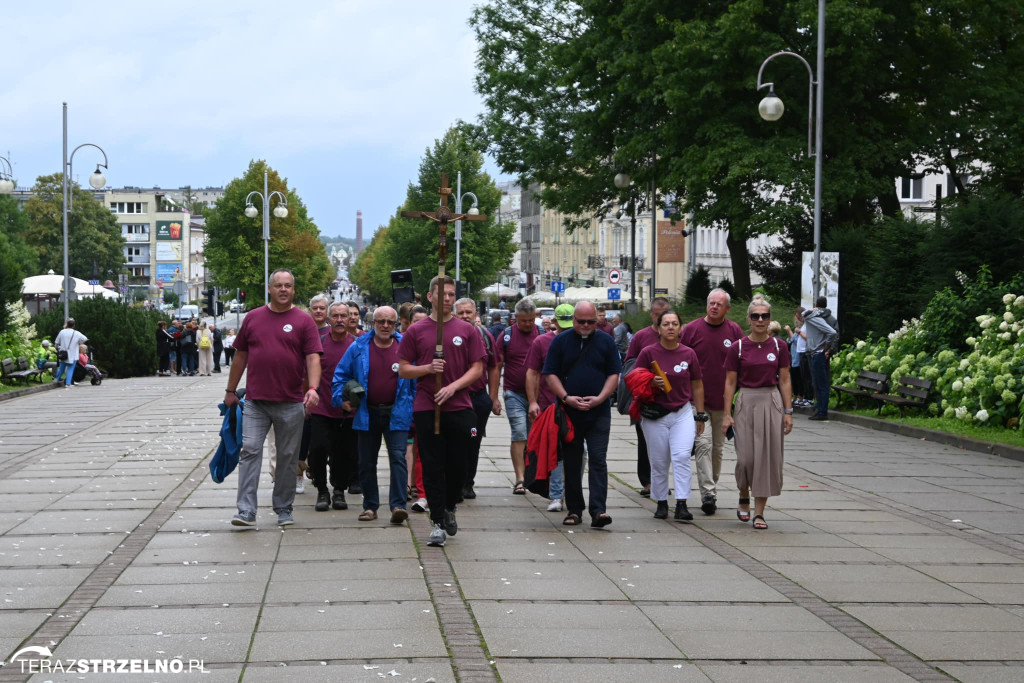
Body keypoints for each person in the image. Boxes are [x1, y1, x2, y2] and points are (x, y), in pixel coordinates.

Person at [224, 268, 323, 528]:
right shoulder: (254, 318)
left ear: (293, 290)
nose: (282, 289)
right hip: (256, 402)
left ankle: (283, 507)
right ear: (269, 288)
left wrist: (313, 388)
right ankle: (246, 511)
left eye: (287, 285)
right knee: (250, 451)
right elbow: (241, 356)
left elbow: (313, 357)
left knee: (288, 458)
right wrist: (230, 390)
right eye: (278, 285)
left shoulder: (304, 321)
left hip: (291, 402)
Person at [398, 275, 486, 548]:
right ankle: (437, 522)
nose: (447, 299)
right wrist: (427, 369)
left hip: (460, 406)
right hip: (427, 407)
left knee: (458, 465)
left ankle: (449, 506)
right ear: (430, 297)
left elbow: (477, 367)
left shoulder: (467, 330)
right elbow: (403, 368)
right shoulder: (417, 331)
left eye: (451, 294)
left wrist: (454, 387)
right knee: (433, 466)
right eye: (442, 294)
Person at [542, 301, 622, 528]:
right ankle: (575, 509)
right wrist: (566, 398)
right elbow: (550, 374)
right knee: (572, 460)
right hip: (569, 412)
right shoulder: (560, 341)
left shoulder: (605, 341)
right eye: (581, 321)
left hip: (599, 412)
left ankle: (599, 511)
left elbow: (614, 374)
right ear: (573, 320)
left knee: (598, 459)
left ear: (597, 319)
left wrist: (601, 398)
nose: (586, 325)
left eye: (590, 321)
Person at [336, 305, 414, 524]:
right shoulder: (358, 346)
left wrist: (414, 406)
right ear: (373, 323)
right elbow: (340, 376)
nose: (386, 326)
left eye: (391, 322)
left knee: (398, 458)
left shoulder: (405, 346)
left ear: (396, 324)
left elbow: (416, 381)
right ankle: (370, 506)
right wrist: (342, 400)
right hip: (366, 412)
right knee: (367, 462)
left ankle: (398, 505)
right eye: (381, 321)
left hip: (397, 412)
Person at [721, 294, 794, 529]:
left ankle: (759, 512)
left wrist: (788, 410)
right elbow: (730, 383)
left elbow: (784, 379)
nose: (760, 320)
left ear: (770, 319)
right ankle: (744, 493)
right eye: (756, 316)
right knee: (745, 459)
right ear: (749, 319)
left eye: (765, 316)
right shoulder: (738, 347)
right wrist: (727, 414)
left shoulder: (779, 346)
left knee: (767, 458)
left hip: (771, 400)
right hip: (746, 401)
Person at [632, 310, 706, 521]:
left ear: (681, 328)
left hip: (681, 412)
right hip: (655, 415)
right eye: (666, 324)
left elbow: (698, 385)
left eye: (675, 323)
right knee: (658, 461)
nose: (671, 327)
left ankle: (682, 504)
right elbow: (635, 380)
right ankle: (661, 502)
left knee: (682, 456)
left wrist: (700, 415)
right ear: (659, 328)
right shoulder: (648, 353)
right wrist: (650, 382)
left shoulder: (688, 354)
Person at [680, 288, 745, 515]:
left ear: (727, 308)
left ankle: (711, 486)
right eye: (711, 303)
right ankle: (708, 493)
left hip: (724, 404)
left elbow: (741, 364)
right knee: (703, 445)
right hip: (697, 403)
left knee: (717, 450)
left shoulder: (734, 331)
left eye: (719, 304)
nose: (714, 306)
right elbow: (680, 357)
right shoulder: (692, 330)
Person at [307, 302, 357, 512]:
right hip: (321, 407)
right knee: (317, 449)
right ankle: (321, 489)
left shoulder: (357, 345)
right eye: (335, 316)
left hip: (347, 412)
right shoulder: (318, 345)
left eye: (343, 316)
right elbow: (307, 373)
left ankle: (338, 490)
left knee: (343, 453)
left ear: (349, 319)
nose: (339, 320)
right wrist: (307, 399)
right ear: (328, 319)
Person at [525, 303, 571, 511]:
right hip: (550, 405)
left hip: (578, 404)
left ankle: (571, 492)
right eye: (563, 325)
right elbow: (532, 372)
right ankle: (556, 495)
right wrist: (533, 401)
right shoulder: (542, 342)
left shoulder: (583, 342)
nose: (567, 329)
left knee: (581, 451)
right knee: (556, 450)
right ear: (554, 323)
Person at [492, 297, 540, 494]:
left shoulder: (542, 334)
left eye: (530, 320)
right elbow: (496, 367)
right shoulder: (506, 336)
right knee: (519, 432)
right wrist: (494, 397)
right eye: (523, 320)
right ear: (515, 318)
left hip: (538, 395)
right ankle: (520, 479)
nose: (528, 324)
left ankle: (533, 475)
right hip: (513, 393)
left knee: (533, 436)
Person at [624, 297, 672, 496]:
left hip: (670, 398)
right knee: (645, 442)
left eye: (666, 313)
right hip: (645, 398)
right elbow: (629, 365)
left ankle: (661, 479)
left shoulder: (676, 335)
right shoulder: (641, 337)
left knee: (667, 443)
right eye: (659, 314)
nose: (663, 318)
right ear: (652, 314)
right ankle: (647, 481)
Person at [454, 297, 498, 500]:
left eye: (468, 312)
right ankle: (454, 482)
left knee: (473, 441)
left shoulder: (485, 336)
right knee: (455, 443)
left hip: (477, 401)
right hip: (456, 399)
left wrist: (493, 397)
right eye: (461, 312)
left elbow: (494, 367)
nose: (464, 316)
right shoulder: (450, 335)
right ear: (455, 314)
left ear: (475, 315)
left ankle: (467, 483)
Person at [406, 305, 430, 511]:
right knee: (408, 446)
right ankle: (410, 485)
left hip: (428, 403)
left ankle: (420, 489)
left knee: (422, 450)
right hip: (407, 405)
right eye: (416, 322)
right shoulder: (406, 343)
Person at [803, 296, 839, 421]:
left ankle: (822, 411)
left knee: (821, 384)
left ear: (816, 305)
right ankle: (820, 409)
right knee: (819, 383)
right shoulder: (819, 317)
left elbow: (833, 333)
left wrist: (826, 346)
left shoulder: (814, 318)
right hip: (818, 353)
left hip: (818, 353)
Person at [784, 308, 809, 406]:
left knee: (800, 379)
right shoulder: (798, 329)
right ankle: (795, 396)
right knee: (794, 378)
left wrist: (790, 331)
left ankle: (801, 397)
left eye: (798, 317)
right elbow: (791, 340)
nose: (797, 319)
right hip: (794, 357)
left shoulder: (803, 328)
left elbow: (795, 340)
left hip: (799, 357)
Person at [54, 318, 88, 388]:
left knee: (61, 368)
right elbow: (85, 338)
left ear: (67, 324)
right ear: (73, 325)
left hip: (63, 354)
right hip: (73, 355)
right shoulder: (77, 333)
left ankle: (56, 379)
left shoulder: (62, 332)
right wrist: (79, 342)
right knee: (70, 369)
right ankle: (68, 383)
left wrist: (58, 348)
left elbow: (56, 342)